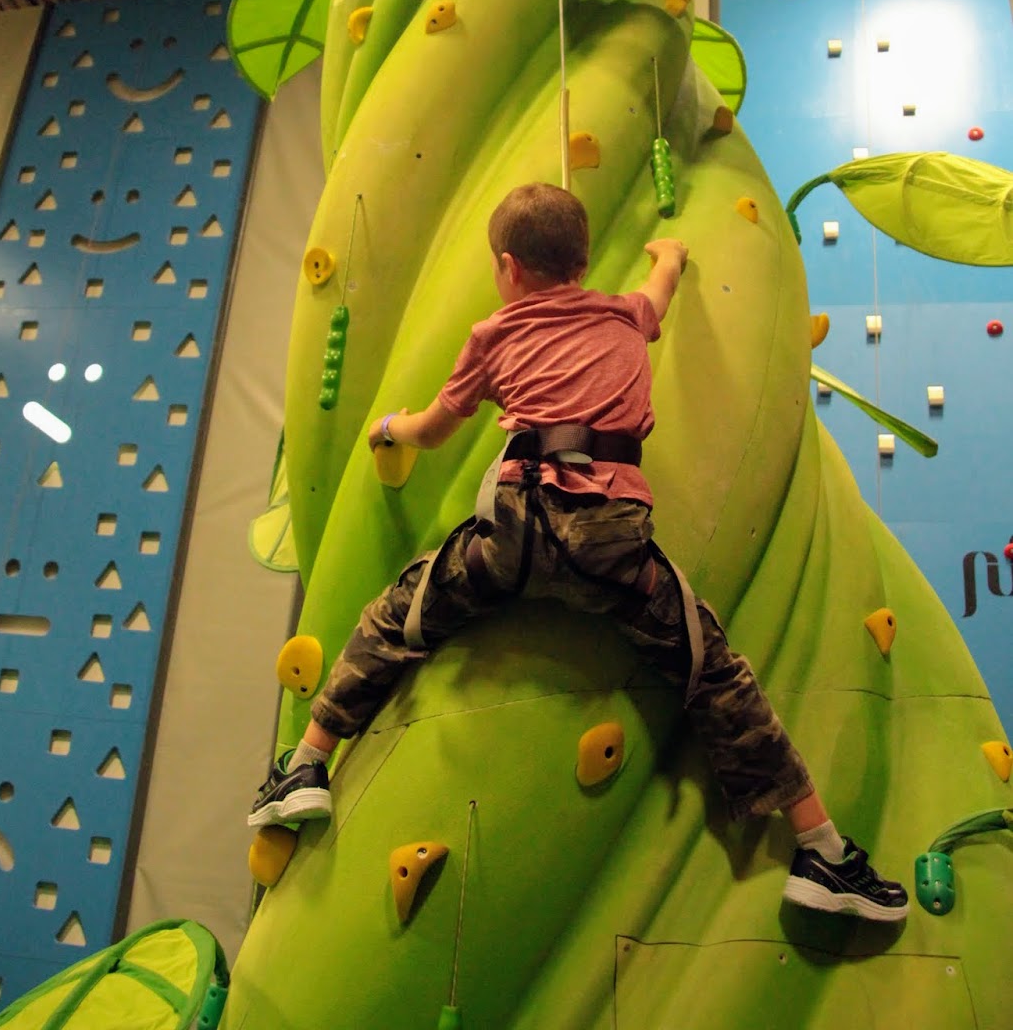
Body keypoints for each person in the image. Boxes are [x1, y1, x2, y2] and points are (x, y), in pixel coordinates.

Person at [249, 183, 907, 922]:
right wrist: (672, 254)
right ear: (584, 260)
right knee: (714, 675)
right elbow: (656, 296)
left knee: (396, 617)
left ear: (505, 266)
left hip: (512, 529)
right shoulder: (625, 315)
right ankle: (818, 848)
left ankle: (307, 762)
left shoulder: (491, 335)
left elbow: (434, 429)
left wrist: (390, 428)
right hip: (607, 540)